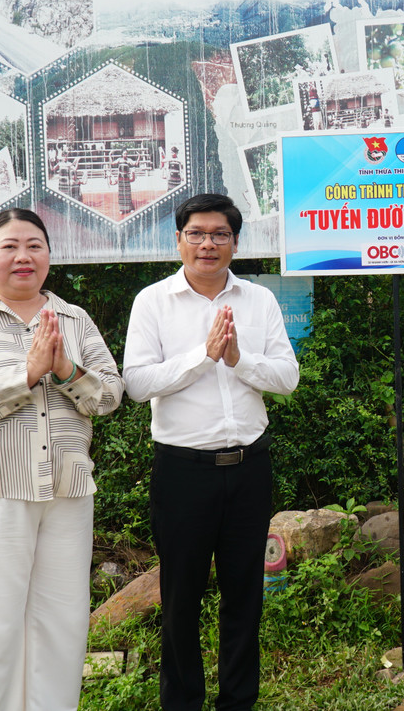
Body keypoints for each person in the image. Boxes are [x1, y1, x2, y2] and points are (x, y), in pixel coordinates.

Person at [0, 208, 123, 711]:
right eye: (10, 246)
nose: (23, 257)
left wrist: (64, 369)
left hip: (66, 491)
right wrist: (27, 374)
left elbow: (108, 397)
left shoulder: (75, 319)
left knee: (61, 623)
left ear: (49, 255)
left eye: (34, 245)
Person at [122, 193, 299, 711]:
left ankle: (238, 701)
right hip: (183, 471)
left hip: (249, 467)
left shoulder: (259, 301)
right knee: (181, 597)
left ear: (235, 243)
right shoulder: (152, 302)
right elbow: (136, 382)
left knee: (244, 594)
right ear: (178, 240)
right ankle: (182, 703)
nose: (207, 244)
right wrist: (203, 357)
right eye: (196, 233)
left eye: (219, 234)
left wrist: (239, 359)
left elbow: (286, 378)